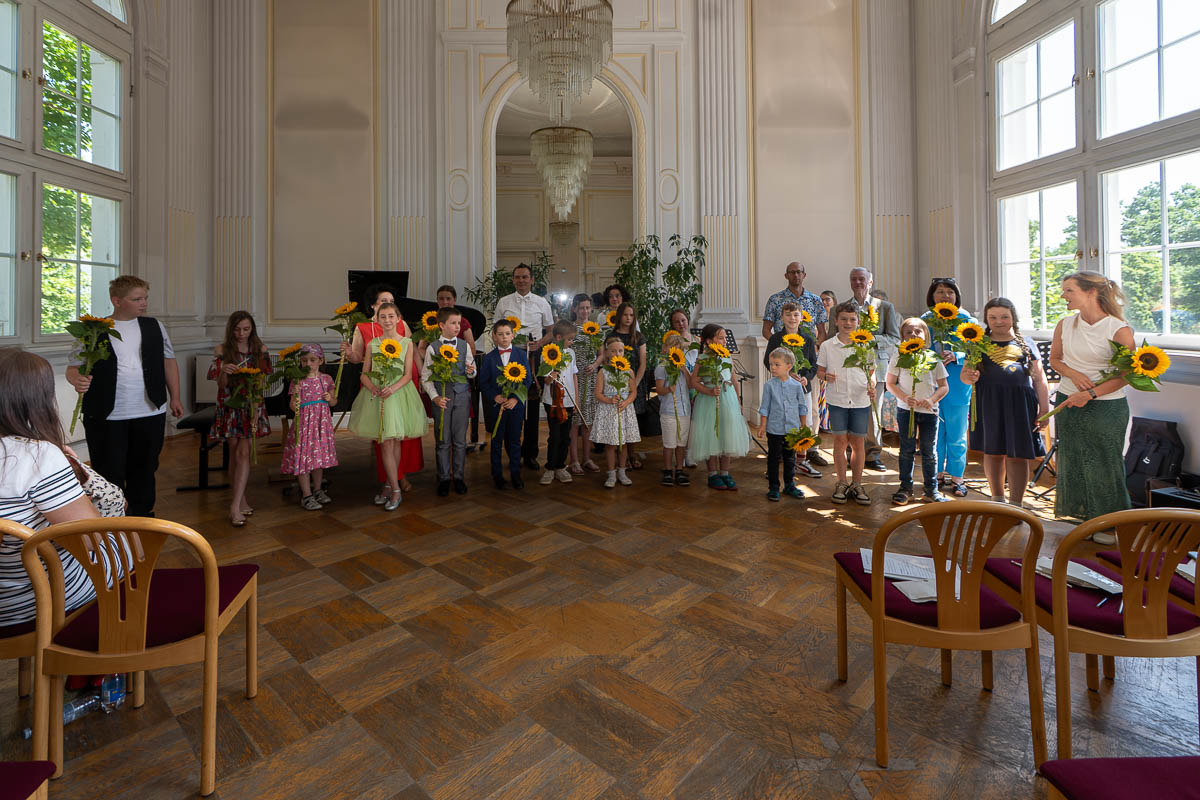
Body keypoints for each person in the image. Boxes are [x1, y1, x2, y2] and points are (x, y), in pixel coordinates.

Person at [0, 349, 103, 629]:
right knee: (134, 545)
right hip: (33, 601)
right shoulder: (38, 456)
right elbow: (91, 538)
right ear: (36, 399)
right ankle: (113, 641)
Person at [65, 275, 183, 517]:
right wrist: (76, 379)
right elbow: (73, 368)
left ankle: (141, 517)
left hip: (150, 410)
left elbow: (169, 362)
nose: (144, 303)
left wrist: (176, 397)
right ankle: (113, 518)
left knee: (145, 468)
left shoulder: (154, 326)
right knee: (108, 470)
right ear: (116, 301)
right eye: (137, 299)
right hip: (106, 414)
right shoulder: (93, 329)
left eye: (145, 298)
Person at [1049, 271, 1135, 541]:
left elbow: (1127, 376)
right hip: (1068, 400)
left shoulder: (1118, 329)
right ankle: (1085, 518)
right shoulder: (1065, 324)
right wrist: (1073, 375)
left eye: (1069, 290)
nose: (1063, 295)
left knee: (1104, 462)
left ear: (1091, 292)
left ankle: (1110, 524)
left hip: (1106, 406)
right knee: (1074, 459)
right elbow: (1055, 360)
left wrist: (1091, 394)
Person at [961, 298, 1049, 508]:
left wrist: (1045, 409)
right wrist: (969, 376)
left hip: (1020, 405)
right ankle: (998, 500)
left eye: (1004, 317)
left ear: (1013, 318)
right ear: (986, 319)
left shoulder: (1027, 343)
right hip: (989, 404)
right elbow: (964, 375)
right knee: (993, 452)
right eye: (993, 317)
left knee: (1018, 454)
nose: (999, 321)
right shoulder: (977, 344)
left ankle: (1016, 505)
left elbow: (1039, 378)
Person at [341, 284, 423, 498]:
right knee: (384, 440)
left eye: (391, 303)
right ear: (373, 308)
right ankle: (392, 484)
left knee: (398, 438)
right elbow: (359, 362)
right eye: (383, 302)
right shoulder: (366, 333)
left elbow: (412, 356)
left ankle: (394, 481)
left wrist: (422, 375)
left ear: (397, 316)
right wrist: (349, 353)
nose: (387, 310)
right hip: (377, 389)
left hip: (400, 389)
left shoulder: (403, 332)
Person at [208, 311, 271, 526]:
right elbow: (221, 385)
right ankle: (240, 498)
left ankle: (234, 506)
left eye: (246, 329)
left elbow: (262, 383)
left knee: (244, 453)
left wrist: (256, 409)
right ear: (230, 329)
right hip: (229, 406)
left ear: (252, 328)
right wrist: (224, 371)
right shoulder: (222, 350)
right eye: (237, 330)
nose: (242, 334)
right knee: (234, 454)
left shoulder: (260, 350)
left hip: (251, 405)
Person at [494, 264, 555, 470]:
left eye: (525, 277)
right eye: (518, 277)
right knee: (510, 403)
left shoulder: (541, 302)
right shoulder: (504, 302)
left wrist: (540, 343)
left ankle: (530, 454)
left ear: (532, 280)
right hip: (509, 357)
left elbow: (551, 330)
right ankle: (512, 452)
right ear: (513, 280)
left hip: (533, 358)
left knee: (531, 408)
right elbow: (495, 331)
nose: (521, 280)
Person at [817, 301, 876, 505]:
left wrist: (872, 385)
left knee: (858, 443)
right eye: (843, 319)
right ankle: (841, 483)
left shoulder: (866, 345)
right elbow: (820, 371)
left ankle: (857, 484)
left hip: (860, 399)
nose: (848, 323)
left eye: (852, 319)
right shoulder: (827, 346)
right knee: (840, 441)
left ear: (858, 322)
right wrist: (826, 376)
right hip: (838, 400)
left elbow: (871, 372)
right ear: (836, 321)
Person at [920, 278, 975, 499]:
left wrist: (957, 355)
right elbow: (918, 346)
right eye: (940, 292)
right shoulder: (925, 320)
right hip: (931, 379)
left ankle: (957, 477)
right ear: (932, 296)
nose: (945, 296)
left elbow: (975, 350)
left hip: (958, 380)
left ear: (956, 295)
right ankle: (936, 474)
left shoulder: (967, 320)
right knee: (934, 431)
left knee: (956, 431)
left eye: (950, 291)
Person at [886, 318, 949, 504]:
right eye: (908, 332)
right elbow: (890, 383)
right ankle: (906, 488)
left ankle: (931, 490)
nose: (913, 335)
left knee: (929, 452)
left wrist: (931, 400)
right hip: (906, 411)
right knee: (906, 450)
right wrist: (905, 397)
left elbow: (944, 386)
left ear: (925, 335)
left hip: (930, 412)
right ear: (902, 337)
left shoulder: (933, 357)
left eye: (918, 332)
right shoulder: (899, 357)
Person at [848, 267, 901, 471]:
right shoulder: (842, 308)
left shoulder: (885, 307)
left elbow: (894, 337)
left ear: (870, 282)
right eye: (854, 279)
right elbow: (835, 337)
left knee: (872, 412)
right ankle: (852, 453)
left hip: (876, 367)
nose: (858, 282)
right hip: (850, 366)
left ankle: (872, 454)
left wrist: (870, 339)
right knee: (850, 409)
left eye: (862, 279)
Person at [421, 307, 476, 497]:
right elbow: (426, 377)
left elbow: (472, 369)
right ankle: (443, 478)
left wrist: (471, 372)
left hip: (461, 397)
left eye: (459, 323)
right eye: (453, 323)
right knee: (443, 440)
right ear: (442, 325)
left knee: (460, 441)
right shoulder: (432, 348)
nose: (457, 326)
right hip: (442, 399)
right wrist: (435, 397)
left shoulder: (464, 346)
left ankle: (459, 477)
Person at [762, 302, 821, 478]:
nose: (792, 318)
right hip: (780, 388)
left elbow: (813, 365)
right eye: (788, 315)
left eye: (796, 315)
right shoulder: (775, 339)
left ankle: (801, 462)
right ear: (782, 317)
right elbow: (767, 361)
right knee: (780, 421)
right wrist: (784, 373)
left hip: (802, 388)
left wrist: (806, 377)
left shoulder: (808, 339)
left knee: (804, 424)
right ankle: (778, 460)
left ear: (801, 317)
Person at [689, 324, 750, 490]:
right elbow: (694, 382)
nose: (724, 341)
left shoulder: (727, 356)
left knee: (727, 433)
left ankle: (725, 472)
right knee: (711, 435)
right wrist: (708, 391)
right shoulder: (703, 358)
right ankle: (712, 474)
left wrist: (738, 401)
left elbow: (734, 380)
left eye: (725, 338)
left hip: (728, 398)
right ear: (709, 341)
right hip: (709, 400)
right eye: (721, 338)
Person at [281, 344, 338, 511]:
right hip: (304, 425)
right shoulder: (297, 380)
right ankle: (306, 495)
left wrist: (329, 398)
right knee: (304, 458)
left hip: (321, 424)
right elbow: (292, 406)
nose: (308, 364)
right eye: (304, 360)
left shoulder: (326, 379)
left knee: (317, 458)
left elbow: (334, 402)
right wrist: (296, 397)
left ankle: (318, 490)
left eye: (312, 360)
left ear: (321, 360)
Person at [479, 319, 533, 490]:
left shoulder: (521, 355)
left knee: (515, 440)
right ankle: (497, 475)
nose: (504, 337)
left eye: (507, 334)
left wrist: (515, 398)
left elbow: (527, 380)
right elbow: (483, 383)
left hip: (515, 406)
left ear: (513, 335)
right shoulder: (489, 358)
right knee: (496, 440)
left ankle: (516, 474)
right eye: (500, 334)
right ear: (494, 336)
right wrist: (495, 396)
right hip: (497, 406)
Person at [757, 348, 808, 502]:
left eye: (777, 364)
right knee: (773, 458)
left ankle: (789, 485)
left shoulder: (797, 386)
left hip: (792, 429)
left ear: (788, 366)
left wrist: (803, 425)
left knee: (790, 458)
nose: (772, 367)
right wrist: (762, 425)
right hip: (774, 429)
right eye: (771, 364)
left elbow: (802, 406)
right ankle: (773, 487)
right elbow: (765, 407)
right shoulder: (769, 385)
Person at [592, 334, 641, 489]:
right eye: (613, 351)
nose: (617, 354)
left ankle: (622, 471)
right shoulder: (603, 372)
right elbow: (597, 394)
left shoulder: (629, 371)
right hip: (609, 411)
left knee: (623, 443)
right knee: (611, 444)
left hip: (624, 410)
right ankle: (611, 473)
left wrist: (626, 402)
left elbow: (633, 392)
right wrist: (609, 400)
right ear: (607, 353)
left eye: (620, 351)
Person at [539, 320, 579, 486]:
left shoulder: (571, 353)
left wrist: (576, 399)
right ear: (558, 337)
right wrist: (552, 375)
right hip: (553, 401)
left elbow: (574, 375)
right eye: (569, 339)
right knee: (555, 436)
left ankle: (561, 466)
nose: (571, 342)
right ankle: (550, 467)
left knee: (565, 436)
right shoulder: (547, 353)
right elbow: (546, 380)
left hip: (569, 400)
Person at [611, 302, 648, 469]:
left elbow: (642, 363)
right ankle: (621, 456)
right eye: (625, 314)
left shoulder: (638, 337)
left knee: (633, 421)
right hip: (615, 384)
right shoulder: (612, 336)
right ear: (619, 316)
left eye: (631, 315)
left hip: (635, 385)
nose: (628, 318)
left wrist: (635, 384)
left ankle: (632, 454)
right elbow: (607, 361)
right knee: (618, 420)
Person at [655, 333, 695, 487]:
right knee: (669, 443)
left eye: (679, 349)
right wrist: (668, 389)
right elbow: (659, 389)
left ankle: (679, 469)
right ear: (666, 348)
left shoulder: (683, 367)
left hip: (684, 411)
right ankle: (667, 469)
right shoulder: (662, 367)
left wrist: (685, 370)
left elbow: (691, 385)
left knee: (681, 443)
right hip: (669, 411)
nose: (676, 351)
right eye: (673, 347)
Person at [568, 294, 601, 474]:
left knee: (588, 422)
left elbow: (602, 354)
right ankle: (574, 460)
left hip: (590, 379)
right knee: (574, 422)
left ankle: (587, 458)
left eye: (588, 307)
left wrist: (595, 365)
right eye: (581, 308)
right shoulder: (569, 328)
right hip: (574, 379)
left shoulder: (596, 329)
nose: (585, 311)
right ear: (574, 309)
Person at [762, 262, 828, 342]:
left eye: (799, 272)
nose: (796, 275)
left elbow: (822, 332)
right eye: (792, 272)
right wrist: (777, 344)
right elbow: (766, 330)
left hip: (809, 347)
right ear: (786, 276)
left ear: (804, 275)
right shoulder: (775, 300)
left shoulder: (815, 300)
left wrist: (816, 346)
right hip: (783, 347)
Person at [817, 290, 838, 433]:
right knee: (821, 390)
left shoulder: (837, 320)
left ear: (834, 301)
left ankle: (830, 423)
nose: (824, 302)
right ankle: (822, 422)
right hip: (820, 355)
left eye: (827, 299)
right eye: (822, 300)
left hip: (833, 356)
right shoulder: (819, 320)